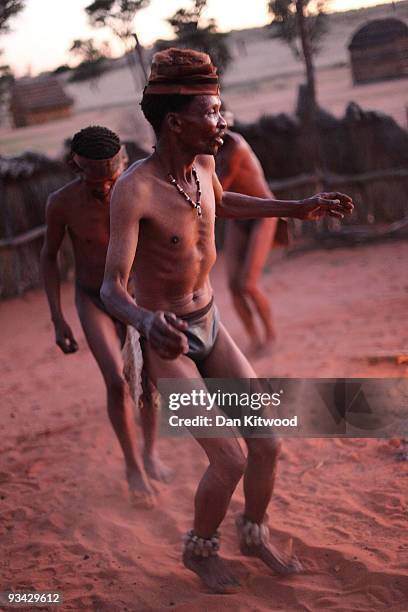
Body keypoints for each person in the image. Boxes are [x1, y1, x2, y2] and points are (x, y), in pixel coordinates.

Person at [101, 48, 354, 593]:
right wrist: (144, 322)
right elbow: (110, 286)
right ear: (175, 122)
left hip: (209, 323)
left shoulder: (205, 166)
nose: (223, 122)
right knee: (229, 456)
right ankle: (200, 547)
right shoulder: (133, 190)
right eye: (212, 112)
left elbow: (222, 204)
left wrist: (295, 207)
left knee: (266, 441)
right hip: (164, 341)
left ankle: (255, 532)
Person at [41, 126, 170, 508]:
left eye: (111, 180)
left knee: (148, 381)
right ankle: (133, 467)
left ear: (123, 165)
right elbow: (49, 257)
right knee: (116, 382)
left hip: (136, 300)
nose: (104, 190)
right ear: (76, 169)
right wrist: (57, 318)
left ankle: (150, 453)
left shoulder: (140, 190)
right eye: (94, 182)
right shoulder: (61, 203)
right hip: (93, 299)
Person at [215, 106, 281, 352]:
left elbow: (217, 191)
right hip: (239, 217)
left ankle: (271, 336)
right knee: (233, 285)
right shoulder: (210, 151)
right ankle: (254, 338)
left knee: (248, 284)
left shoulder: (236, 147)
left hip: (262, 214)